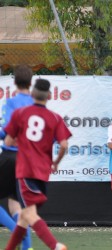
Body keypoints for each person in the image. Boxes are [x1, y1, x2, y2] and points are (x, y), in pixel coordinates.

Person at [4, 79, 72, 250]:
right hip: (43, 173)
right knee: (23, 219)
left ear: (33, 93)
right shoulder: (55, 118)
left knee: (28, 214)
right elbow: (64, 145)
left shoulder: (20, 113)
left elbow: (8, 140)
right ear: (49, 96)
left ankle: (54, 245)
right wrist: (55, 162)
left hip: (25, 170)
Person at [0, 64, 34, 250]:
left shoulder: (12, 102)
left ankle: (16, 232)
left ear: (14, 82)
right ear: (31, 82)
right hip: (27, 159)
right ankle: (27, 247)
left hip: (10, 156)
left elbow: (8, 131)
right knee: (16, 205)